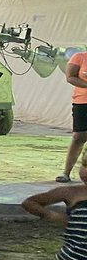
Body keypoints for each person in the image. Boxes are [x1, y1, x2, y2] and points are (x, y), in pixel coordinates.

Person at [57, 49, 87, 183]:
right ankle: (66, 172)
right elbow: (70, 77)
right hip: (82, 102)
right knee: (78, 137)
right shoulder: (79, 57)